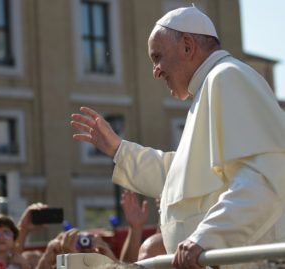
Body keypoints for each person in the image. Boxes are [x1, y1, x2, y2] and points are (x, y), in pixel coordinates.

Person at [71, 5, 285, 269]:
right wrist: (119, 149)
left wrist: (206, 239)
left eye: (158, 57)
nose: (156, 71)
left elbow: (264, 177)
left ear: (187, 46)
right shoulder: (211, 85)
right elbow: (182, 178)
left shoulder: (227, 77)